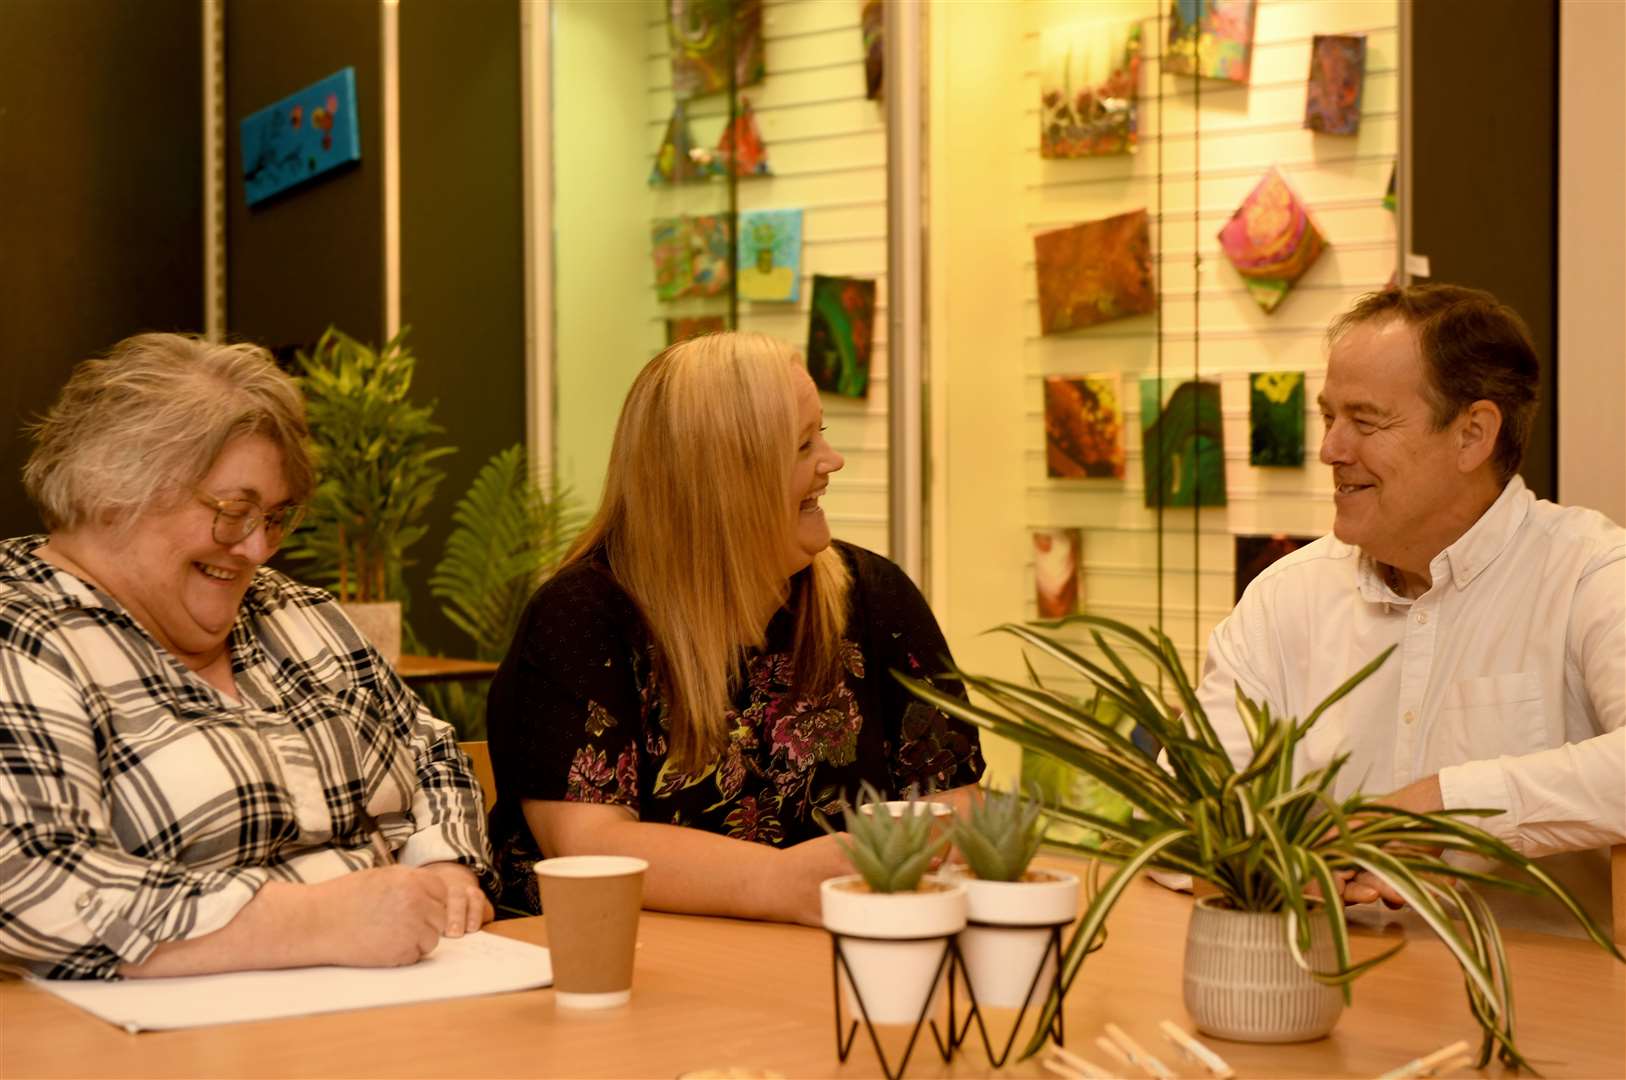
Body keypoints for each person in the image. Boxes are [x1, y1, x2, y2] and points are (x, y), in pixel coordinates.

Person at [0, 333, 494, 980]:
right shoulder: (24, 631)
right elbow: (32, 881)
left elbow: (428, 750)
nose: (258, 549)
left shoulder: (296, 612)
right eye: (234, 512)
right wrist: (314, 923)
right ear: (112, 489)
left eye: (276, 516)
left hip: (408, 995)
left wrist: (443, 865)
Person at [486, 332, 984, 925]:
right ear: (723, 482)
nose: (832, 461)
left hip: (821, 961)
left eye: (822, 433)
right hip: (621, 972)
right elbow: (589, 847)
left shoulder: (875, 596)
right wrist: (782, 884)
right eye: (803, 446)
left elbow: (954, 803)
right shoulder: (582, 618)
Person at [1194, 285, 1623, 932]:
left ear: (1472, 434)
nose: (1332, 450)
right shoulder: (1284, 598)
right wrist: (1278, 866)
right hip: (1312, 995)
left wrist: (1442, 808)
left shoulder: (1590, 571)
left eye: (1365, 421)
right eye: (1328, 417)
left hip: (1527, 1018)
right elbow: (1192, 798)